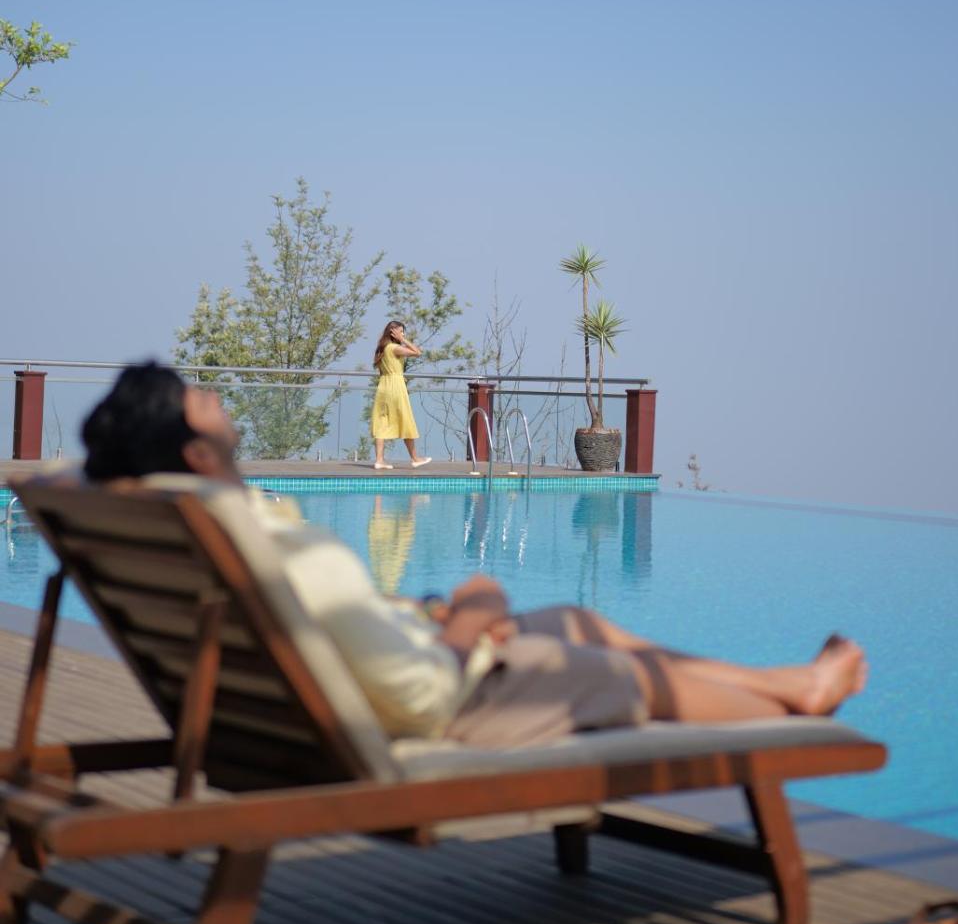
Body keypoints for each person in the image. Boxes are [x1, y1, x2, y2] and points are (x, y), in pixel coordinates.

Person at [81, 363, 868, 750]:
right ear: (197, 452)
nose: (221, 401)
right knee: (618, 675)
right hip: (441, 700)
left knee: (579, 621)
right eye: (206, 402)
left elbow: (344, 632)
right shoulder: (270, 542)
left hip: (359, 682)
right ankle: (794, 715)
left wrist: (432, 615)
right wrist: (474, 615)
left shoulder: (217, 527)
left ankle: (785, 684)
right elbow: (419, 697)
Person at [370, 320, 431, 471]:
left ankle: (379, 460)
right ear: (393, 333)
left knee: (382, 421)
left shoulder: (382, 349)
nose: (403, 334)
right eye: (401, 332)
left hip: (383, 386)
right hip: (396, 387)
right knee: (405, 419)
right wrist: (403, 340)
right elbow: (417, 352)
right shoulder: (394, 348)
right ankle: (415, 458)